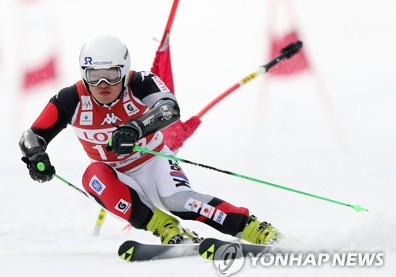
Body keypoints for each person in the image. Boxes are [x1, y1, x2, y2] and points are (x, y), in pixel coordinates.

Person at [19, 34, 281, 245]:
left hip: (153, 163)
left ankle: (253, 229)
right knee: (93, 174)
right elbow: (32, 136)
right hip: (115, 177)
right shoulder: (71, 99)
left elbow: (169, 108)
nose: (102, 84)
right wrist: (36, 156)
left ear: (124, 69)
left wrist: (134, 128)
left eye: (111, 74)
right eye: (92, 75)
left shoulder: (141, 82)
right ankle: (165, 228)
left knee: (178, 201)